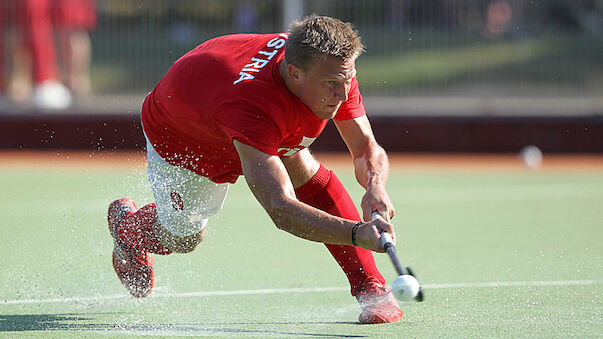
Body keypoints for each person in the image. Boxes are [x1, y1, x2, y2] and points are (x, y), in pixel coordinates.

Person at [108, 15, 402, 324]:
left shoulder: (328, 67)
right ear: (295, 74)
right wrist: (356, 233)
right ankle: (127, 228)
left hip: (224, 107)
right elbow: (281, 209)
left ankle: (371, 287)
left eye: (347, 80)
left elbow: (365, 146)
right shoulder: (253, 106)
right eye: (331, 85)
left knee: (299, 163)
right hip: (184, 136)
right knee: (183, 239)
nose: (342, 95)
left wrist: (376, 185)